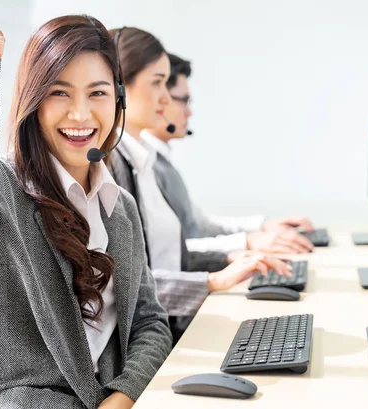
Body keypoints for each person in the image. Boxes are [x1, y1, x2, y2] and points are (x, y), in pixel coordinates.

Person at [0, 16, 171, 409]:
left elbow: (149, 322)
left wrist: (123, 395)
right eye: (59, 93)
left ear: (118, 100)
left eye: (98, 93)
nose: (80, 115)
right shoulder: (1, 185)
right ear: (34, 102)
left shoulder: (120, 206)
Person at [107, 27, 290, 342]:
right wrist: (214, 279)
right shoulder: (113, 169)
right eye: (157, 83)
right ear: (119, 86)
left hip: (170, 321)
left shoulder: (142, 162)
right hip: (158, 332)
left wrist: (229, 260)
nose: (166, 98)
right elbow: (125, 287)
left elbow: (170, 255)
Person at [143, 53, 316, 255]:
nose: (189, 113)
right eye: (184, 101)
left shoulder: (160, 160)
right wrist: (248, 242)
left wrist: (261, 226)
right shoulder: (144, 164)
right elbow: (164, 251)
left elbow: (198, 226)